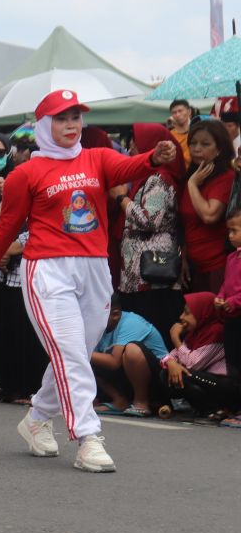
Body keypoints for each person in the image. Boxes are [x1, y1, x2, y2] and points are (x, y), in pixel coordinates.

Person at [0, 89, 178, 472]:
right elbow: (5, 228)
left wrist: (151, 158)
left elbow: (128, 168)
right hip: (48, 270)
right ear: (44, 125)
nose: (70, 126)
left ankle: (35, 420)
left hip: (94, 268)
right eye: (61, 119)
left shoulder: (97, 158)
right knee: (68, 354)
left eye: (75, 118)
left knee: (75, 356)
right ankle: (88, 437)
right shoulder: (26, 174)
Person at [112, 124, 185, 347]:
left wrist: (121, 198)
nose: (130, 147)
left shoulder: (158, 179)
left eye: (135, 142)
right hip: (140, 276)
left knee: (152, 332)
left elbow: (149, 220)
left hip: (151, 276)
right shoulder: (146, 176)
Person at [162, 292, 238, 422]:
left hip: (224, 386)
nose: (181, 317)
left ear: (203, 313)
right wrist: (171, 363)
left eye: (187, 313)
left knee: (184, 375)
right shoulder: (194, 333)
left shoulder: (217, 331)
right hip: (204, 380)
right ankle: (203, 410)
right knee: (166, 373)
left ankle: (212, 410)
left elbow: (193, 364)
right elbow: (170, 356)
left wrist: (175, 338)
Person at [91, 294, 169, 417]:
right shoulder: (100, 328)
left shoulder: (131, 322)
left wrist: (81, 352)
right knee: (86, 359)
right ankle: (119, 401)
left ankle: (141, 402)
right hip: (128, 379)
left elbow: (114, 362)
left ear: (115, 314)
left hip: (158, 380)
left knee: (132, 350)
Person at [180, 120, 235, 291]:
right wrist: (183, 258)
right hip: (194, 267)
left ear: (219, 149)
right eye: (193, 143)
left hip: (218, 266)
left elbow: (209, 215)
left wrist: (192, 185)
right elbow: (186, 223)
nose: (197, 149)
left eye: (205, 144)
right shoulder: (193, 176)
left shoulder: (226, 177)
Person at [217, 207, 241, 383]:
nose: (230, 235)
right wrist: (220, 297)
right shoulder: (231, 257)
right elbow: (227, 284)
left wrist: (233, 301)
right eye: (229, 231)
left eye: (234, 231)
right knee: (231, 358)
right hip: (231, 317)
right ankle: (232, 401)